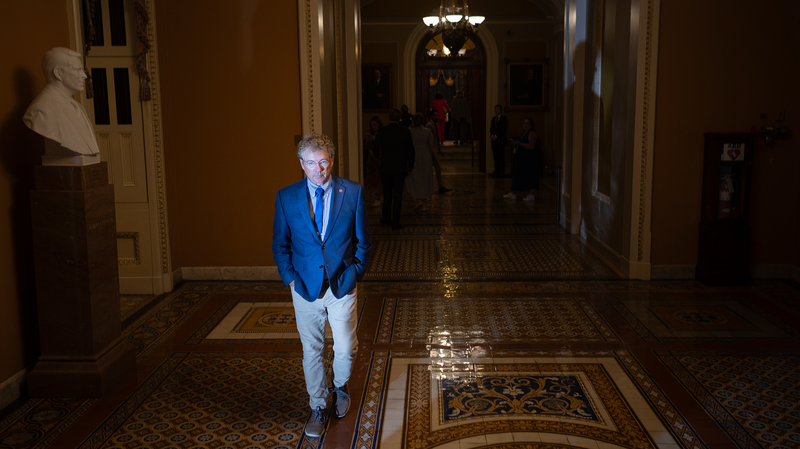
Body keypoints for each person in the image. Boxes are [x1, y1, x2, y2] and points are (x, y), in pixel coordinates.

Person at [272, 133, 372, 438]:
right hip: (304, 287)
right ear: (302, 164)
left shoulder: (352, 192)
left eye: (324, 161)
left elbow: (364, 242)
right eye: (312, 163)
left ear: (332, 161)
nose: (319, 169)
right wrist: (290, 278)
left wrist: (355, 272)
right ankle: (317, 404)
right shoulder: (286, 197)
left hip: (342, 284)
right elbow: (280, 244)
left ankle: (340, 388)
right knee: (311, 350)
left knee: (346, 347)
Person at [23, 47, 101, 165]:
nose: (84, 76)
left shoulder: (78, 108)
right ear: (58, 73)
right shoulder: (40, 110)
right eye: (77, 70)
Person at [372, 108, 415, 230]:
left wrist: (379, 156)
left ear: (389, 117)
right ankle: (396, 221)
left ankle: (386, 218)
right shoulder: (405, 131)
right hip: (400, 168)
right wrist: (410, 166)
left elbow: (375, 147)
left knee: (387, 194)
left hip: (385, 167)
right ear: (400, 118)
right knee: (398, 195)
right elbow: (410, 151)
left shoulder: (383, 131)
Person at [503, 118, 542, 202]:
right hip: (521, 159)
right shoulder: (522, 134)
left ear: (531, 125)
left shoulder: (532, 133)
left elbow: (531, 146)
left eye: (527, 123)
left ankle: (531, 195)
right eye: (524, 123)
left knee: (530, 176)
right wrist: (514, 144)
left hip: (529, 159)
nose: (525, 125)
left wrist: (520, 143)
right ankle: (513, 193)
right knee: (517, 175)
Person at [406, 113, 436, 211]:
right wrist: (438, 160)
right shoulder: (427, 131)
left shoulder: (409, 131)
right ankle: (423, 202)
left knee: (416, 178)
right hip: (425, 155)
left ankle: (419, 199)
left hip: (414, 156)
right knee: (425, 177)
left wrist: (411, 125)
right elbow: (432, 146)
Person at [426, 110, 452, 194]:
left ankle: (439, 186)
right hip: (432, 153)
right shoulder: (430, 126)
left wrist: (439, 150)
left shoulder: (432, 124)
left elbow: (435, 139)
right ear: (431, 116)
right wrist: (432, 152)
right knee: (433, 170)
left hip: (434, 152)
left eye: (437, 115)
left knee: (436, 170)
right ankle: (438, 187)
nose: (437, 117)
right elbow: (429, 141)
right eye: (435, 116)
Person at [363, 116, 383, 207]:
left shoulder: (381, 133)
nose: (373, 127)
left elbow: (383, 145)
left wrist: (375, 139)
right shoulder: (372, 133)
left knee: (379, 179)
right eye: (372, 125)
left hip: (378, 158)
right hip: (371, 159)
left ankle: (379, 197)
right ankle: (382, 192)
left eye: (375, 125)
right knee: (369, 178)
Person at [489, 105, 509, 177]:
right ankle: (496, 169)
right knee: (495, 155)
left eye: (498, 109)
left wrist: (496, 136)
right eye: (496, 109)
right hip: (494, 140)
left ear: (501, 110)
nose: (497, 111)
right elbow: (491, 129)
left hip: (501, 140)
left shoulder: (504, 119)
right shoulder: (493, 119)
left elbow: (503, 129)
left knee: (501, 155)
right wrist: (492, 136)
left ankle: (501, 170)